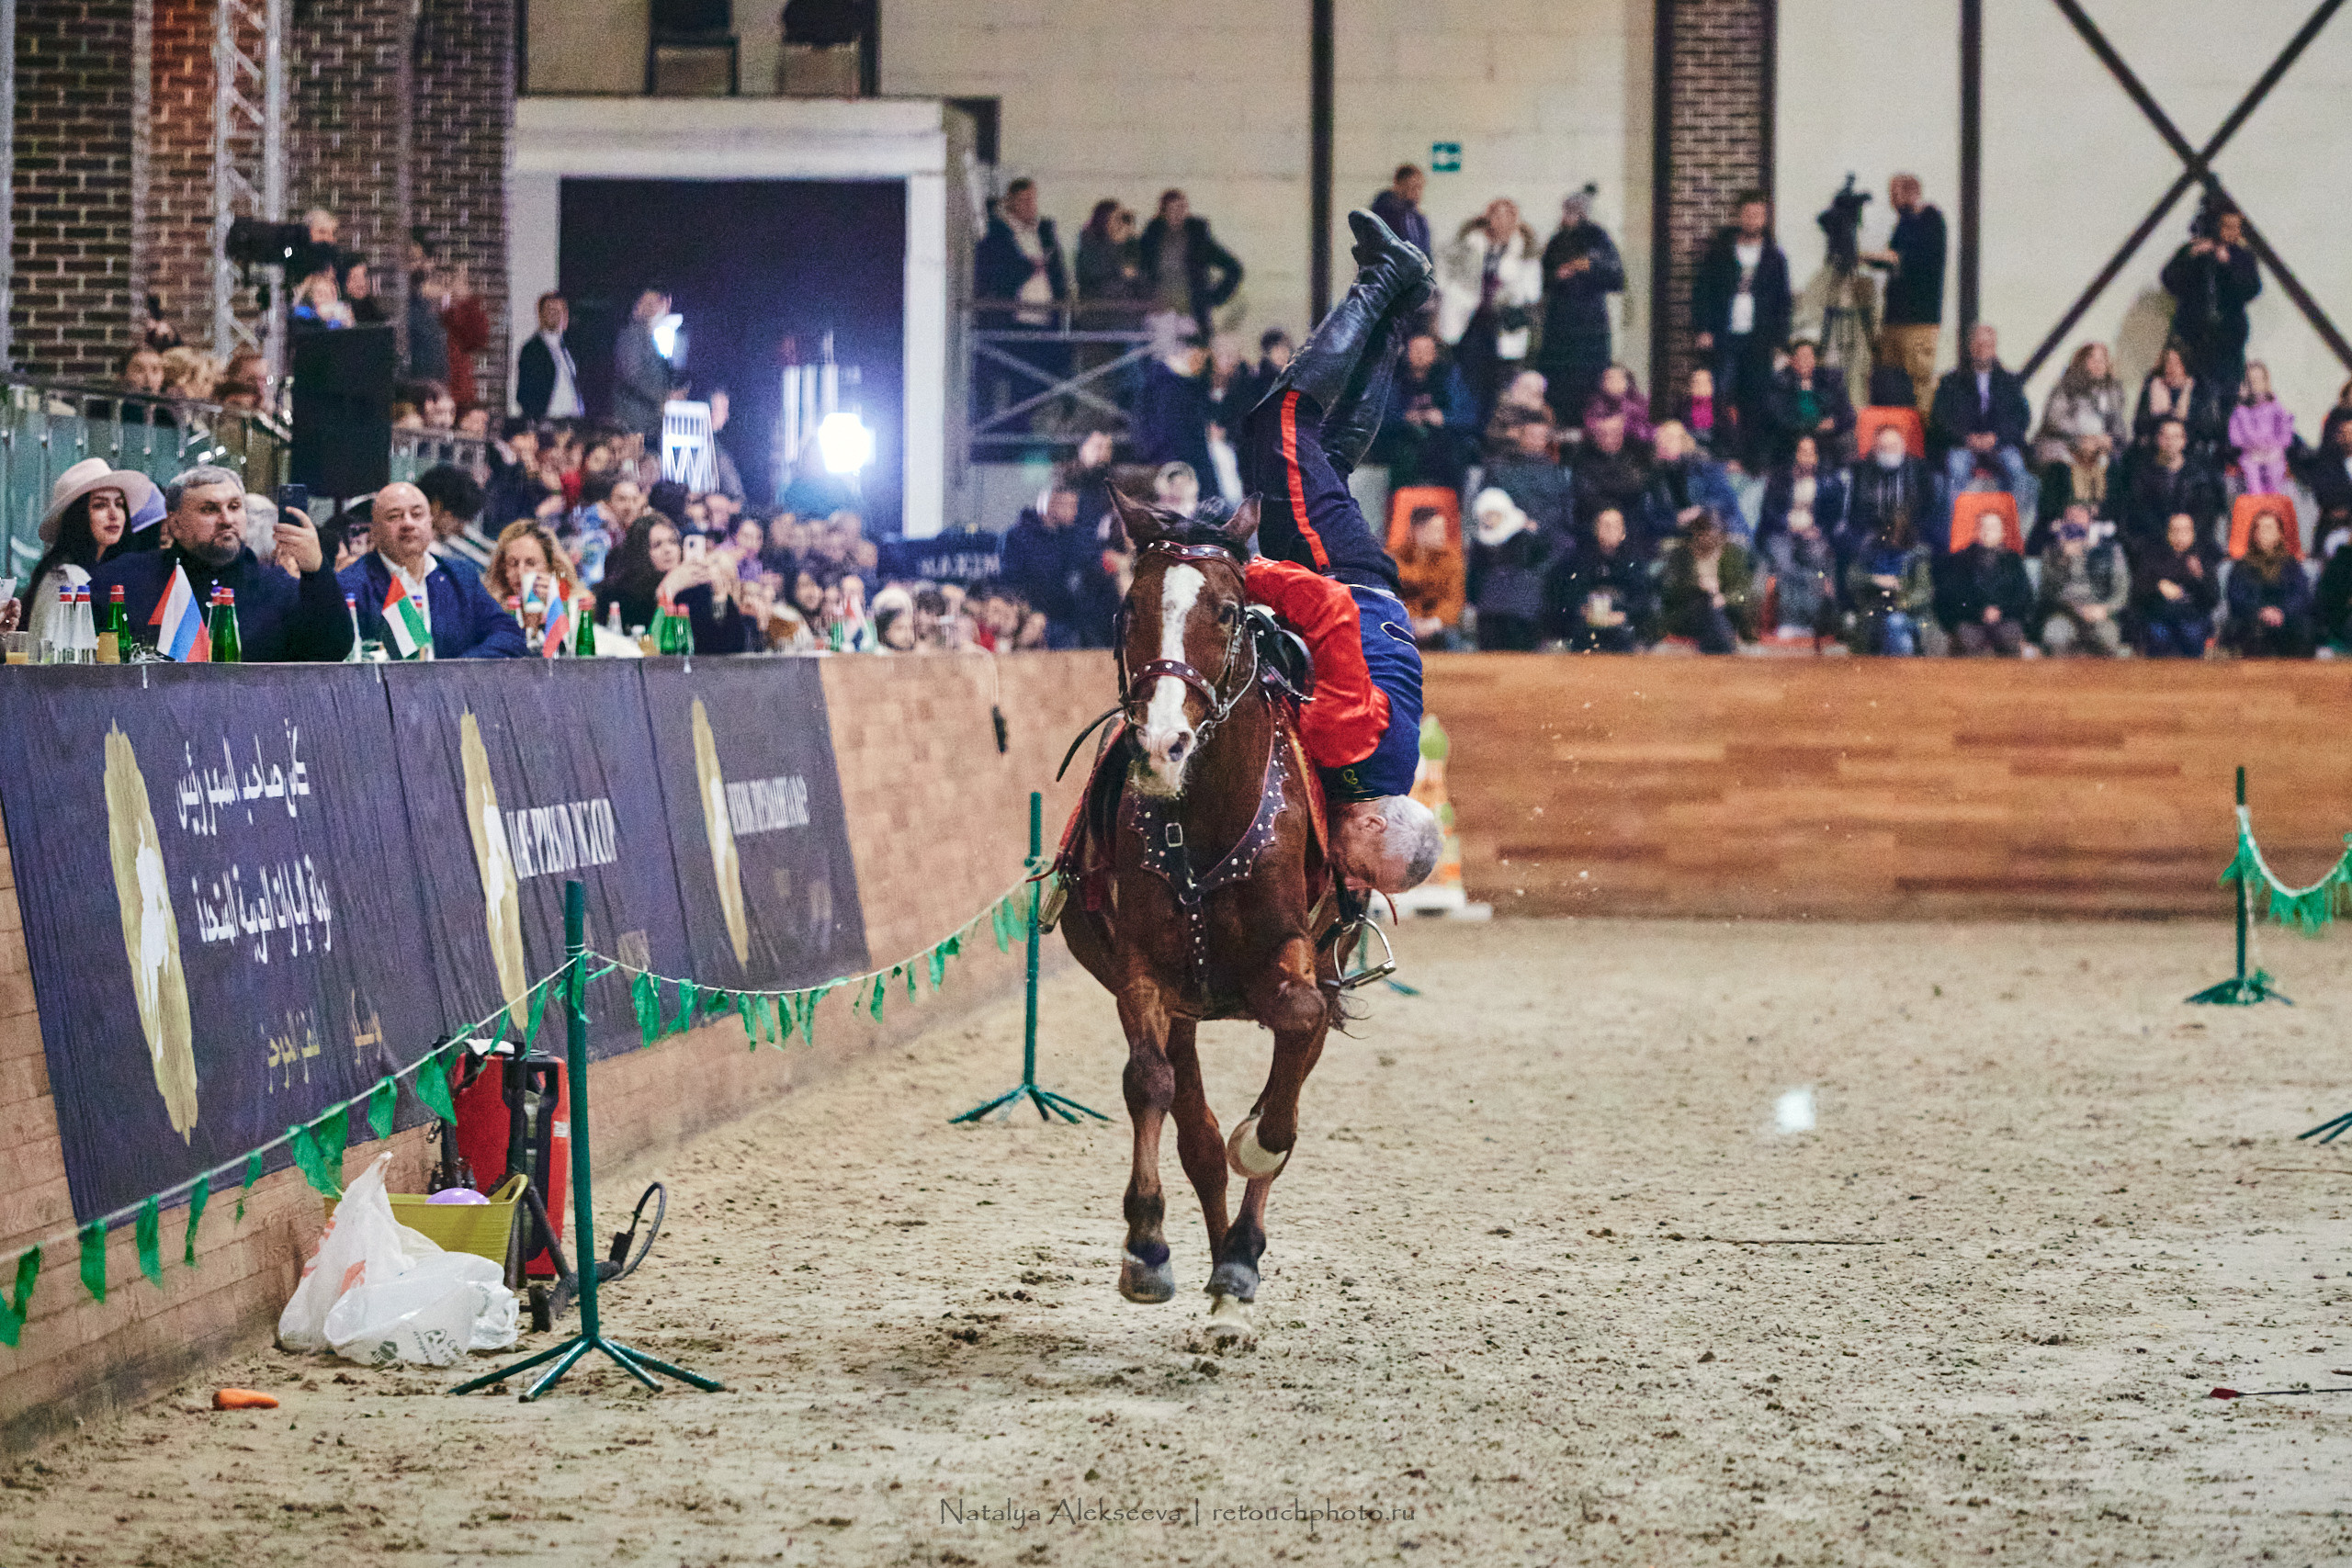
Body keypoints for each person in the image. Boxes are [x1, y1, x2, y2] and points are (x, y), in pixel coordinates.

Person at [1227, 207, 1445, 893]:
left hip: (1360, 584)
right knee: (1280, 426)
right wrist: (1242, 574)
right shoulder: (1354, 746)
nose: (1348, 875)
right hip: (1335, 575)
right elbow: (1322, 609)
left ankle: (1400, 309)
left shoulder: (1385, 782)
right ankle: (1384, 281)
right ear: (1378, 826)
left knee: (1328, 454)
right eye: (1360, 867)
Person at [93, 465, 351, 661]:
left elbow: (332, 651)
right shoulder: (123, 582)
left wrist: (317, 571)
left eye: (235, 506)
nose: (227, 519)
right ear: (175, 523)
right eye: (209, 509)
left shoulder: (278, 589)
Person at [339, 481, 526, 659]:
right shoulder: (351, 585)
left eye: (417, 514)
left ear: (430, 522)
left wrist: (457, 670)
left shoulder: (460, 577)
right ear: (374, 530)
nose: (408, 523)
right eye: (394, 516)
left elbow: (508, 634)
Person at [1690, 191, 1792, 465]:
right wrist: (1702, 328)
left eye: (1758, 215)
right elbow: (1702, 291)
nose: (1753, 220)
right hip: (1724, 335)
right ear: (1739, 216)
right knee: (1719, 392)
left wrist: (1780, 341)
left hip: (1758, 339)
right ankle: (1721, 450)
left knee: (1755, 397)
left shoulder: (1774, 257)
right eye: (1748, 214)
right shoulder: (1720, 252)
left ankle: (1753, 456)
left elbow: (1782, 301)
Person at [23, 459, 155, 654]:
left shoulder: (96, 571)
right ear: (78, 516)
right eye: (100, 505)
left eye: (119, 505)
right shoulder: (67, 576)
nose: (114, 514)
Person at [1436, 198, 1542, 420]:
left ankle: (1494, 430)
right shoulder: (1470, 242)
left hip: (1503, 323)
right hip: (1471, 321)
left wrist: (1510, 293)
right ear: (1488, 217)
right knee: (1467, 379)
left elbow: (1532, 291)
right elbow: (1444, 268)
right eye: (1497, 215)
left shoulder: (1524, 249)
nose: (1502, 221)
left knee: (1500, 383)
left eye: (1507, 216)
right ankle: (1466, 424)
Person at [1928, 322, 2033, 523]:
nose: (1983, 349)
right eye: (1978, 344)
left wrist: (1997, 438)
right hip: (1962, 444)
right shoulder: (1950, 382)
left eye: (1988, 345)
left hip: (2000, 444)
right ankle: (1958, 531)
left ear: (1995, 348)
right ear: (1970, 347)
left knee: (2018, 470)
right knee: (1955, 468)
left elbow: (2022, 418)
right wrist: (1966, 438)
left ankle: (2015, 534)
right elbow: (1940, 418)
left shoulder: (2010, 382)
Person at [1534, 188, 1624, 422]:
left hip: (1590, 326)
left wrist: (1585, 267)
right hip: (1560, 324)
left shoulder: (1598, 238)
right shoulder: (1557, 240)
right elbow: (1544, 278)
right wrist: (1558, 275)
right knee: (1560, 381)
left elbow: (1616, 277)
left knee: (1589, 382)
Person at [1860, 173, 1948, 412]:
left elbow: (1900, 259)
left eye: (1894, 194)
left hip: (1918, 320)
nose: (1892, 201)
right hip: (1895, 319)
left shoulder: (1928, 219)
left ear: (1910, 193)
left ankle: (1921, 440)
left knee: (1918, 384)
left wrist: (1862, 255)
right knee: (1887, 381)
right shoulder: (1904, 223)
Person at [2161, 205, 2261, 396]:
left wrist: (2229, 265)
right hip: (2193, 338)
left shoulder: (2242, 256)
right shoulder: (2194, 250)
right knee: (2192, 393)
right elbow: (2170, 281)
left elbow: (2252, 289)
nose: (2233, 232)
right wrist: (2191, 257)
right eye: (2228, 227)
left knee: (2228, 392)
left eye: (2237, 227)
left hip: (2228, 340)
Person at [1371, 329, 1476, 491]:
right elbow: (1375, 416)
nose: (1421, 355)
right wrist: (1404, 417)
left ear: (1435, 354)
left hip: (1442, 442)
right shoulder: (1392, 378)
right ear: (1406, 353)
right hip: (1399, 441)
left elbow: (1469, 417)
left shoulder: (1449, 378)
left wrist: (1444, 418)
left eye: (1427, 351)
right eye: (1416, 350)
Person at [2033, 342, 2128, 518]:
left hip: (2099, 449)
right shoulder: (2065, 388)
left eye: (2103, 360)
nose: (2098, 364)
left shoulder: (2113, 392)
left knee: (2116, 470)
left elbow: (2119, 429)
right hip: (2064, 445)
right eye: (2093, 359)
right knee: (2061, 472)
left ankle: (2103, 518)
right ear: (2082, 362)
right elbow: (2055, 420)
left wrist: (2109, 440)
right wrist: (2081, 439)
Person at [1139, 189, 1243, 343]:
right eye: (1172, 209)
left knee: (1195, 357)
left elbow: (1233, 268)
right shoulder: (1151, 238)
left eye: (1181, 208)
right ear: (1163, 211)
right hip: (1159, 312)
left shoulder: (1198, 239)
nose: (1177, 213)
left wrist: (1213, 298)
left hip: (1192, 313)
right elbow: (1141, 270)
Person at [2120, 417, 2223, 560]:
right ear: (2157, 439)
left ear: (2184, 440)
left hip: (2194, 546)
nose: (2170, 442)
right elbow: (2138, 514)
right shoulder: (2143, 475)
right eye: (2165, 436)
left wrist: (2187, 541)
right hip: (2154, 546)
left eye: (2176, 436)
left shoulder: (2199, 475)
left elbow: (2206, 516)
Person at [1553, 505, 1654, 652]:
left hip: (1622, 632)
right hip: (1585, 631)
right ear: (1595, 529)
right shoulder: (1577, 562)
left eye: (1616, 526)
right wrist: (1580, 610)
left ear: (1623, 531)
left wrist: (1623, 615)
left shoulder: (1633, 564)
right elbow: (1563, 596)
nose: (1610, 530)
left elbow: (1643, 599)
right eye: (1605, 525)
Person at [1935, 510, 2032, 656]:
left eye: (1993, 528)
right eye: (1983, 527)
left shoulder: (2014, 561)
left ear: (2003, 532)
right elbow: (1952, 596)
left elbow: (2023, 596)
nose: (1987, 531)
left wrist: (2001, 611)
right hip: (1970, 619)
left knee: (2010, 635)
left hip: (2006, 618)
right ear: (1976, 530)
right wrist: (1979, 612)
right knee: (1968, 639)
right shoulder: (1960, 560)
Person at [1465, 489, 1553, 651]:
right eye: (1486, 515)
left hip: (1520, 612)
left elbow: (1543, 563)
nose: (1490, 520)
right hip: (1489, 613)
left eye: (1494, 515)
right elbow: (1474, 580)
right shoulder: (1478, 545)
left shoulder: (1525, 538)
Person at [1658, 510, 1755, 653]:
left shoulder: (1734, 554)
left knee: (1712, 612)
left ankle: (1718, 647)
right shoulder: (1680, 555)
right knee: (1705, 604)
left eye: (1711, 529)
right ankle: (1724, 648)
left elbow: (1744, 591)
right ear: (1694, 532)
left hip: (1727, 611)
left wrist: (1724, 598)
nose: (1706, 535)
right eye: (1701, 530)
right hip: (1689, 611)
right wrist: (1699, 588)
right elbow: (1670, 589)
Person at [2034, 512, 2128, 657]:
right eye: (2071, 517)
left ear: (2091, 521)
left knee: (2107, 637)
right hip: (2064, 611)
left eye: (2080, 516)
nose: (2076, 522)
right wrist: (2063, 561)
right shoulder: (2052, 551)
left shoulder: (2110, 550)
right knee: (2055, 635)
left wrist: (2105, 609)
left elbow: (2121, 590)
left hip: (2099, 611)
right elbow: (2047, 592)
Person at [1845, 507, 1936, 656]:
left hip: (1910, 614)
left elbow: (1924, 592)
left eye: (1898, 530)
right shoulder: (1872, 551)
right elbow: (1852, 577)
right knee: (1863, 624)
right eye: (1890, 529)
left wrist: (1900, 603)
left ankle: (1900, 671)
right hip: (1876, 609)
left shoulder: (1918, 555)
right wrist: (1875, 579)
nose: (1893, 535)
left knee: (1894, 623)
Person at [2223, 507, 2313, 658]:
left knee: (2305, 628)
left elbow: (2300, 595)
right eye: (2259, 528)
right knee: (2247, 631)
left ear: (2279, 533)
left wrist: (2282, 612)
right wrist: (2261, 612)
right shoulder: (2241, 566)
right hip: (2253, 618)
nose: (2263, 532)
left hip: (2286, 618)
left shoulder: (2291, 565)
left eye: (2269, 528)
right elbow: (2237, 597)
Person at [1641, 420, 1742, 548]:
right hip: (1673, 537)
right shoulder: (1651, 477)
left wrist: (1701, 511)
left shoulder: (1703, 468)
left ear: (1683, 441)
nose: (1665, 443)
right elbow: (1650, 515)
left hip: (1712, 532)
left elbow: (1726, 502)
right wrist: (1675, 520)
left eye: (1671, 438)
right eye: (1661, 439)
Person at [2133, 512, 2218, 658]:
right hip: (2160, 615)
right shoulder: (2153, 557)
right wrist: (2158, 586)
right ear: (2168, 533)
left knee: (2192, 635)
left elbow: (2213, 599)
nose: (2180, 535)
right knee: (2158, 636)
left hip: (2192, 616)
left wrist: (2199, 577)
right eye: (2176, 530)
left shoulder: (2203, 557)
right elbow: (2138, 592)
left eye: (2186, 530)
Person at [1760, 338, 1854, 464]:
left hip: (1826, 437)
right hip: (1792, 436)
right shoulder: (1781, 383)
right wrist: (1813, 425)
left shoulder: (1831, 381)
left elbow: (1849, 416)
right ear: (1793, 361)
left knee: (1847, 440)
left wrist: (1834, 423)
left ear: (1815, 360)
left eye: (1809, 357)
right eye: (1800, 357)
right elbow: (1779, 417)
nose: (1805, 361)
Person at [1485, 415, 1575, 538]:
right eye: (1532, 435)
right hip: (1507, 529)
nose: (1536, 440)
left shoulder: (1555, 472)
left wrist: (1539, 524)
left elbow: (1562, 506)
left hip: (1547, 531)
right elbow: (1492, 501)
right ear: (1521, 437)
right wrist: (1518, 522)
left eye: (1541, 437)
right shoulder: (1501, 467)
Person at [1764, 492, 1838, 640]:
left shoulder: (1820, 543)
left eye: (1805, 512)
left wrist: (1810, 542)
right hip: (1788, 597)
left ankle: (1812, 625)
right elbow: (1783, 567)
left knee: (1816, 578)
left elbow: (1824, 566)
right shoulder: (1776, 542)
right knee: (1787, 579)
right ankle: (1790, 623)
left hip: (1812, 597)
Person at [1570, 413, 1651, 546]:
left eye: (1614, 432)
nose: (1609, 438)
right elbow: (1588, 497)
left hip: (1635, 518)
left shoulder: (1634, 456)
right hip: (1598, 519)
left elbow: (1641, 486)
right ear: (1595, 435)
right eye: (1603, 433)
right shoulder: (1583, 459)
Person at [1758, 433, 1847, 552]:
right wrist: (1788, 526)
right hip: (1782, 533)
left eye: (1811, 453)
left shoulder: (1828, 483)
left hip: (1812, 535)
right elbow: (1770, 511)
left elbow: (1833, 515)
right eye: (1803, 452)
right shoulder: (1780, 480)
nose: (1807, 458)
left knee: (1818, 557)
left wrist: (1818, 530)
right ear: (1795, 454)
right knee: (1784, 561)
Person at [483, 518, 585, 621]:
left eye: (530, 563)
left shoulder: (576, 606)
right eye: (513, 563)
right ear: (503, 568)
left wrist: (554, 605)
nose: (520, 572)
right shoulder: (490, 608)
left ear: (550, 567)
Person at [613, 283, 678, 442]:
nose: (651, 308)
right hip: (633, 423)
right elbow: (631, 376)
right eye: (646, 303)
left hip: (648, 422)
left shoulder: (651, 338)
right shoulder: (632, 334)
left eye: (654, 303)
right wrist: (663, 398)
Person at [1395, 504, 1464, 649]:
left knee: (1452, 637)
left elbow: (1453, 599)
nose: (1442, 535)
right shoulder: (1396, 558)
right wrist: (1410, 620)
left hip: (1439, 625)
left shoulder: (1451, 559)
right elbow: (1393, 598)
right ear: (1418, 531)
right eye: (1436, 530)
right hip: (1404, 622)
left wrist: (1435, 622)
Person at [2229, 361, 2295, 500]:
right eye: (2251, 380)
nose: (2255, 384)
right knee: (2253, 483)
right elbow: (2235, 436)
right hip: (2251, 455)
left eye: (2259, 379)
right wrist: (2250, 444)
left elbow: (2285, 431)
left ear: (2266, 381)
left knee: (2275, 480)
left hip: (2273, 453)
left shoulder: (2276, 407)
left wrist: (2274, 444)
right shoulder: (2241, 411)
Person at [416, 462, 492, 583]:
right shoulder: (425, 547)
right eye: (458, 520)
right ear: (436, 506)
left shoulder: (443, 538)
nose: (460, 529)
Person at [516, 292, 583, 421]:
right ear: (541, 314)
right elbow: (524, 394)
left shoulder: (570, 347)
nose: (557, 315)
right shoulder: (532, 350)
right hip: (547, 423)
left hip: (573, 421)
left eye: (561, 310)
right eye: (551, 310)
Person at [1369, 164, 1432, 267]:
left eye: (1420, 187)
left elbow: (1426, 253)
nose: (1417, 193)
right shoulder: (1383, 215)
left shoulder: (1418, 219)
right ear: (1398, 186)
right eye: (1412, 187)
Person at [1580, 363, 1651, 450]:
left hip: (1637, 449)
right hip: (1604, 450)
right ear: (1602, 383)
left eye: (1619, 379)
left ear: (1628, 382)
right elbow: (1591, 427)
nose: (1614, 382)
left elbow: (1649, 429)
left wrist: (1625, 425)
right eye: (1609, 379)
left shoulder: (1639, 402)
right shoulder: (1595, 403)